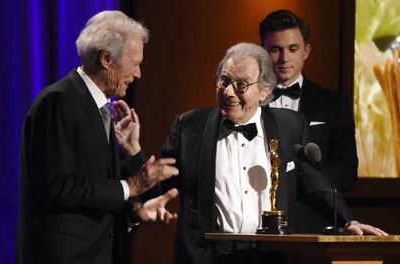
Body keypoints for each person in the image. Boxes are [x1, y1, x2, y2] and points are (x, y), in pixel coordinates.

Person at [161, 42, 387, 264]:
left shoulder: (289, 125)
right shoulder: (189, 126)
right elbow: (159, 182)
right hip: (207, 256)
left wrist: (350, 221)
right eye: (224, 81)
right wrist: (133, 153)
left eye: (241, 84)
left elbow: (316, 185)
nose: (229, 92)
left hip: (268, 254)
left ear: (264, 90)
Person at [16, 11, 179, 264]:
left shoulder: (100, 109)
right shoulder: (58, 102)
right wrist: (131, 186)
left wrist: (136, 209)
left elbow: (96, 194)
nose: (138, 75)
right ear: (106, 59)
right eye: (135, 63)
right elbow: (58, 187)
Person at [259, 10, 358, 193]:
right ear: (262, 52)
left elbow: (346, 172)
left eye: (293, 49)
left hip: (313, 214)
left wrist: (302, 181)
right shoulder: (247, 102)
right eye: (275, 49)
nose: (284, 58)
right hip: (257, 211)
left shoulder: (334, 104)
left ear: (306, 51)